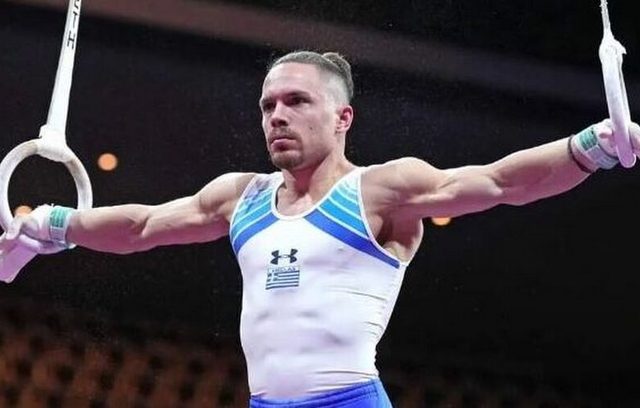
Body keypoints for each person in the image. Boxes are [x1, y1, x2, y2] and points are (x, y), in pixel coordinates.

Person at [1, 50, 639, 407]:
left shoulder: (381, 191)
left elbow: (501, 183)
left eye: (297, 101)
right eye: (268, 105)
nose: (276, 116)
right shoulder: (241, 197)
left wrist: (592, 146)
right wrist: (49, 223)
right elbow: (141, 227)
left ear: (343, 118)